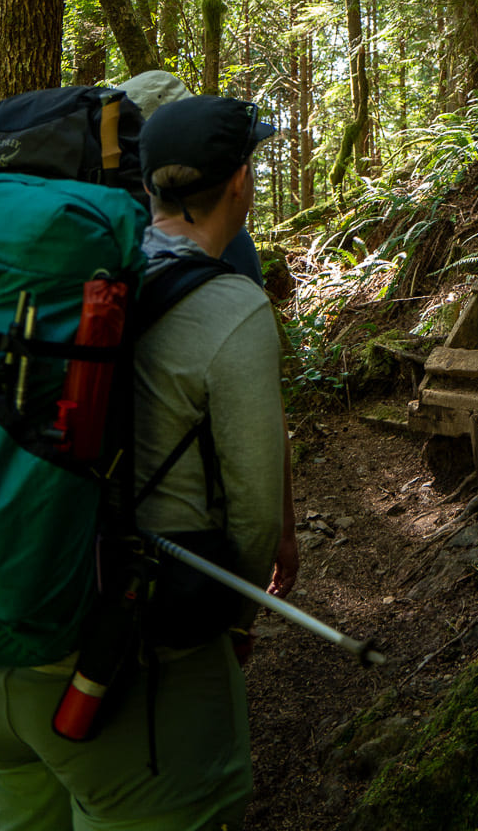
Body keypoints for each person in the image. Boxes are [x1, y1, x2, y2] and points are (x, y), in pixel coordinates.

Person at [0, 97, 285, 831]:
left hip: (3, 663)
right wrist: (235, 624)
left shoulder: (70, 285)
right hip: (130, 678)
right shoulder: (230, 309)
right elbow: (256, 512)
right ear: (240, 182)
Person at [118, 71, 299, 601]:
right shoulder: (232, 289)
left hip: (64, 562)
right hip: (175, 574)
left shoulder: (96, 249)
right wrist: (240, 607)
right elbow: (253, 484)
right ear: (239, 179)